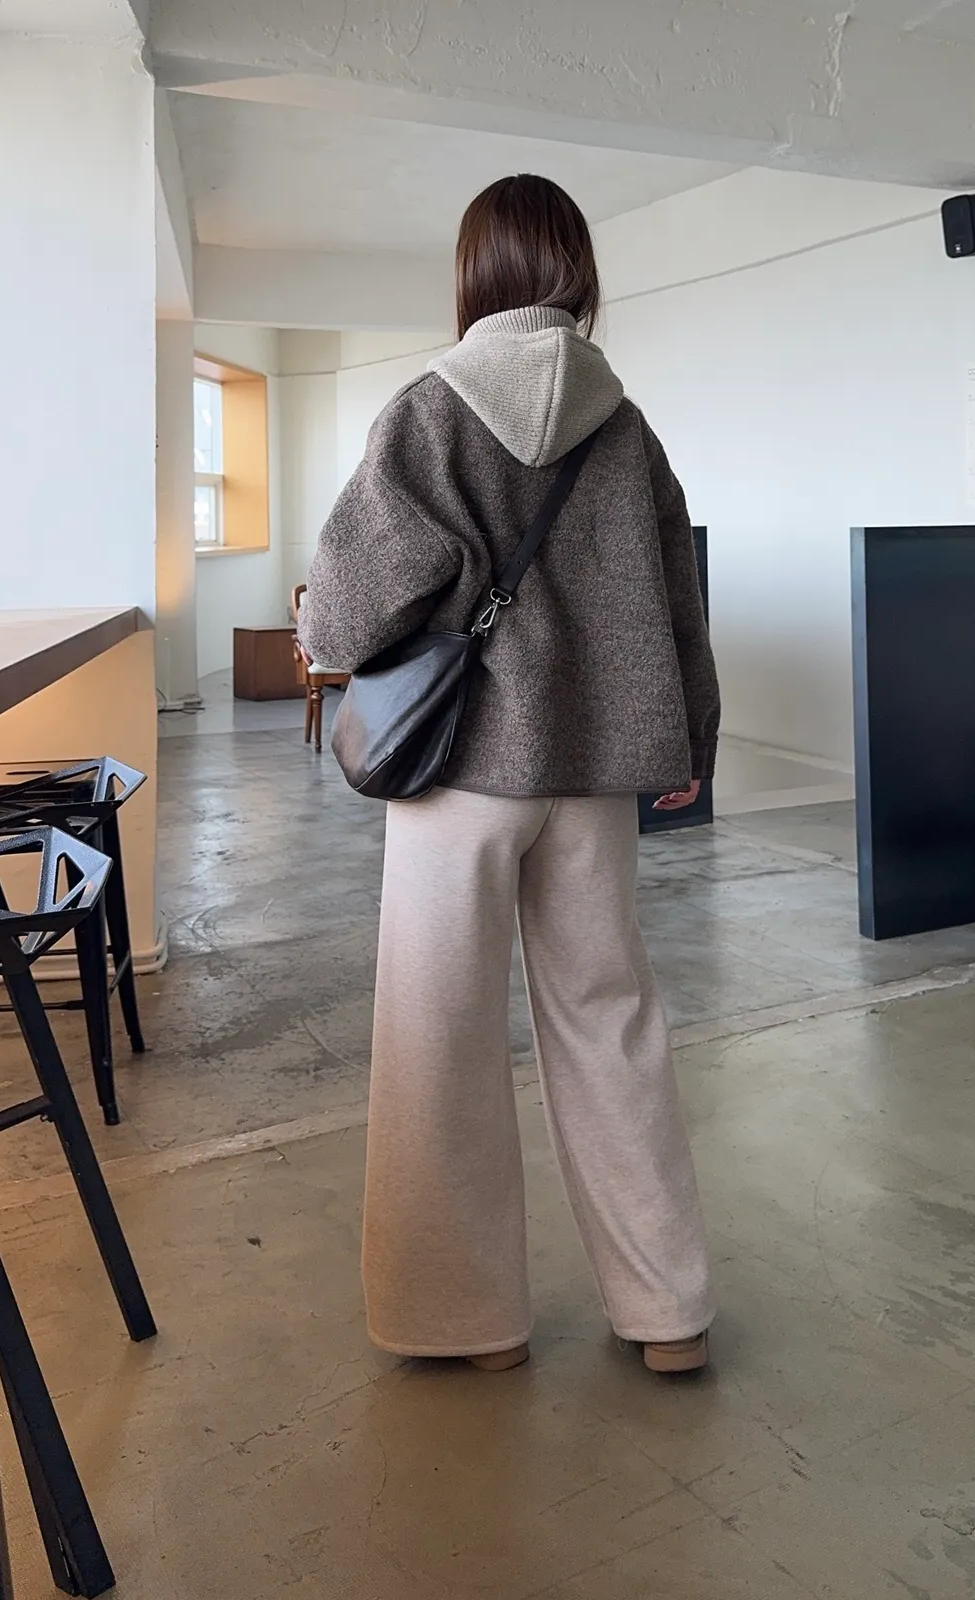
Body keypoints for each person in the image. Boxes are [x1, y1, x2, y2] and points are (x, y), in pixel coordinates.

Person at [300, 173, 720, 1376]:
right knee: (611, 1019)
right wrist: (691, 739)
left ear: (474, 274)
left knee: (440, 1032)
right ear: (578, 272)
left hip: (460, 779)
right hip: (593, 774)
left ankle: (466, 1322)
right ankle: (669, 1311)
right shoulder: (626, 428)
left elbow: (343, 617)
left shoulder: (430, 413)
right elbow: (679, 605)